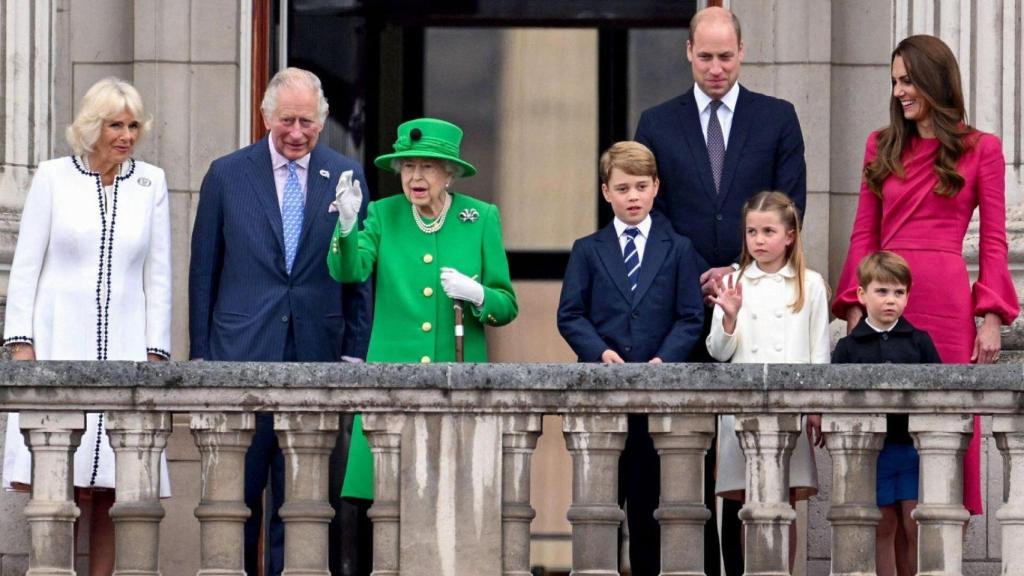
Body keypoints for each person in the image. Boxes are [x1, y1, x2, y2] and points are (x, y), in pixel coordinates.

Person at [634, 9, 807, 572]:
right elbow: (648, 216)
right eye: (705, 56)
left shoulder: (777, 118)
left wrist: (735, 269)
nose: (715, 67)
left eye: (725, 56)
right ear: (688, 51)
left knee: (746, 461)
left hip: (755, 306)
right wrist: (697, 273)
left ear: (743, 51)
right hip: (680, 310)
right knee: (679, 458)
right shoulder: (657, 122)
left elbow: (789, 206)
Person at [188, 67, 372, 576]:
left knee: (304, 503)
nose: (296, 132)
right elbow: (204, 268)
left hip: (317, 354)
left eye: (307, 122)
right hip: (239, 356)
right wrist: (200, 354)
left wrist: (354, 353)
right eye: (287, 120)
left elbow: (360, 274)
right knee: (236, 501)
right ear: (267, 116)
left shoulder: (345, 175)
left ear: (323, 121)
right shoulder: (227, 173)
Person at [832, 35, 1019, 521]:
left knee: (945, 434)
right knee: (880, 434)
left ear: (934, 81)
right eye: (894, 82)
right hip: (886, 297)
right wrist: (855, 306)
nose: (898, 91)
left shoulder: (983, 148)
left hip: (947, 304)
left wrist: (992, 315)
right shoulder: (880, 144)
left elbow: (995, 239)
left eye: (907, 80)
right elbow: (863, 232)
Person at [329, 117, 517, 571]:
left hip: (457, 390)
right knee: (384, 509)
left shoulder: (480, 218)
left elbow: (506, 305)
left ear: (449, 173)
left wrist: (478, 296)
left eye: (428, 167)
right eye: (408, 166)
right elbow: (349, 271)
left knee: (451, 509)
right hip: (391, 385)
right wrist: (348, 227)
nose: (415, 177)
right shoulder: (383, 214)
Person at [2, 77, 172, 575]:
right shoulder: (53, 177)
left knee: (115, 488)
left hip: (126, 347)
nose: (126, 135)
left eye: (133, 125)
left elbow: (157, 274)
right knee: (63, 482)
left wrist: (156, 354)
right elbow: (27, 266)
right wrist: (21, 345)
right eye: (115, 125)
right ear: (92, 127)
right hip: (59, 343)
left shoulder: (152, 182)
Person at [557, 141, 704, 575]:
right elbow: (570, 314)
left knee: (648, 510)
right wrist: (598, 351)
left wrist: (664, 359)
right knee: (598, 510)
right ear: (606, 192)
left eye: (641, 186)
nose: (633, 196)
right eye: (623, 188)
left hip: (655, 405)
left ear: (656, 187)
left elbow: (691, 317)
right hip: (601, 402)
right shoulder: (588, 248)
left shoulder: (678, 248)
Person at [706, 191, 826, 572]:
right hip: (742, 413)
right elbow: (718, 351)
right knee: (749, 502)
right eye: (751, 232)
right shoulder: (734, 280)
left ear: (790, 235)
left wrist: (817, 408)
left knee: (784, 503)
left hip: (789, 411)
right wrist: (728, 317)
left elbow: (818, 353)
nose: (758, 240)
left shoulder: (811, 283)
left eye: (768, 231)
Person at [832, 251, 941, 576]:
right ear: (862, 294)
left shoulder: (919, 342)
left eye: (899, 292)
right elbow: (836, 398)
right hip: (872, 454)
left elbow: (940, 393)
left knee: (914, 524)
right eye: (882, 291)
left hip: (912, 450)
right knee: (883, 526)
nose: (891, 300)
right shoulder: (848, 347)